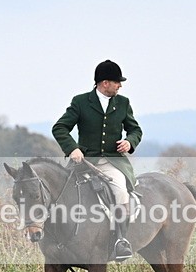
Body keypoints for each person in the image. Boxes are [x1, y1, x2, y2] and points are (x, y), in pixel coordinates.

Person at [52, 59, 143, 261]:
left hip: (111, 163)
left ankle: (120, 240)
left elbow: (135, 130)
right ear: (105, 83)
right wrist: (72, 148)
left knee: (120, 193)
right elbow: (59, 128)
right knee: (58, 193)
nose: (120, 86)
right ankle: (52, 238)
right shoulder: (80, 102)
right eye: (117, 82)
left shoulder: (123, 103)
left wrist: (129, 142)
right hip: (83, 162)